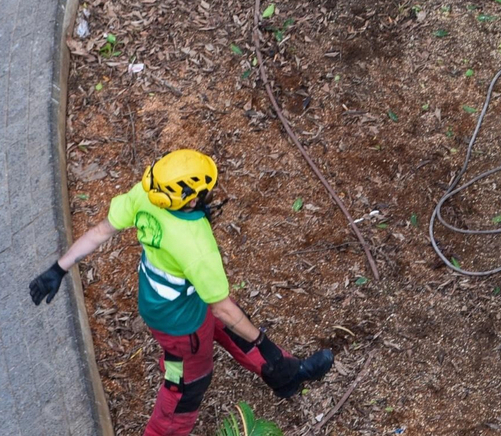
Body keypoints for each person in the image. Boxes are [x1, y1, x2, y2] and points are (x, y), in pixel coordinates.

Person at [28, 149, 333, 436]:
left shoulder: (146, 194)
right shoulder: (196, 244)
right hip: (180, 327)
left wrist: (58, 268)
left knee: (231, 326)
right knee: (186, 385)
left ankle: (285, 376)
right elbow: (221, 306)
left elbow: (101, 231)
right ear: (191, 200)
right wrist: (263, 343)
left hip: (168, 296)